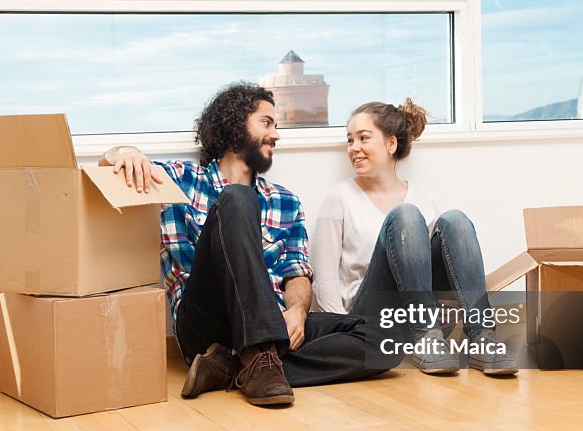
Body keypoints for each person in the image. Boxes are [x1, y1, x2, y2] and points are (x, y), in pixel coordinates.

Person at [100, 82, 404, 407]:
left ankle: (234, 367)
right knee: (237, 197)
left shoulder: (286, 201)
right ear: (234, 126)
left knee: (389, 339)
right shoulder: (183, 180)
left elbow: (296, 272)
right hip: (205, 324)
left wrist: (297, 312)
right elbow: (110, 170)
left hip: (272, 321)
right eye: (267, 123)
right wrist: (123, 153)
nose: (276, 135)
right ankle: (258, 356)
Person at [312, 99, 519, 376]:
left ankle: (482, 336)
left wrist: (446, 308)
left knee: (455, 220)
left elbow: (431, 268)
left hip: (418, 313)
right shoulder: (340, 196)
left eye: (363, 138)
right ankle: (425, 335)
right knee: (405, 215)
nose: (354, 148)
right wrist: (343, 335)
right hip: (368, 318)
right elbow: (323, 279)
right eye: (350, 140)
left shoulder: (422, 195)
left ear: (391, 144)